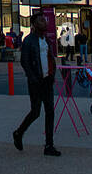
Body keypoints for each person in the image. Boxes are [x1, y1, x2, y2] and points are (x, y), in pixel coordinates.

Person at [13, 11, 61, 156]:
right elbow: (25, 61)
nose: (44, 22)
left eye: (44, 20)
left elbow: (50, 58)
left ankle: (49, 145)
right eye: (41, 20)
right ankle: (19, 132)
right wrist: (33, 78)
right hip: (36, 81)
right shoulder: (29, 41)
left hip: (47, 79)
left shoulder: (46, 40)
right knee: (35, 112)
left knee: (50, 111)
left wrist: (52, 74)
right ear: (34, 24)